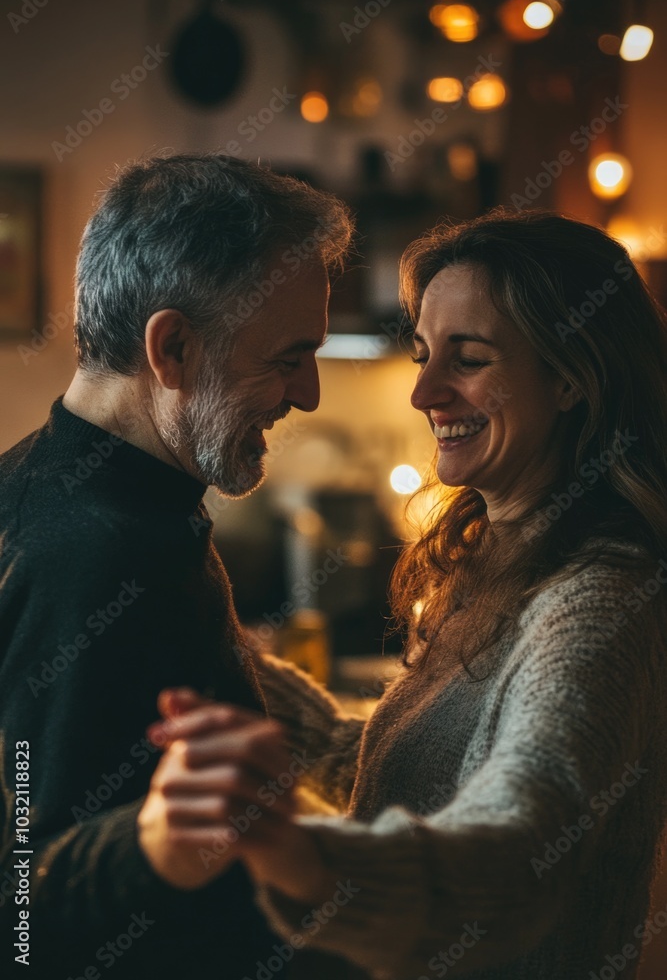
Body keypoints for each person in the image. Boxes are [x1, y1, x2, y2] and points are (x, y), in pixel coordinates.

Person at [150, 209, 667, 980]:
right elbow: (397, 774)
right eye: (425, 354)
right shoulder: (492, 566)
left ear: (569, 376)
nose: (425, 392)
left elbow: (516, 855)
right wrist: (214, 640)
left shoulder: (595, 608)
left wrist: (295, 851)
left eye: (469, 359)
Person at [0, 153, 353, 978]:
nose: (306, 395)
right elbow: (25, 921)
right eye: (287, 356)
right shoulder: (92, 558)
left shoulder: (93, 493)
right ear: (174, 348)